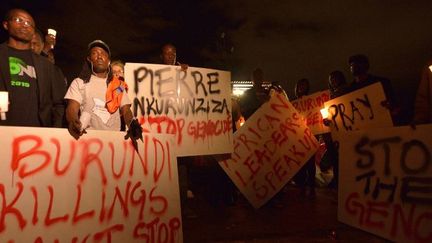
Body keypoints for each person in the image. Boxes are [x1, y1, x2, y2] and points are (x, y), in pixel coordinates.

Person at [0, 8, 66, 127]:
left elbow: (58, 103)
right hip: (4, 131)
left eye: (29, 24)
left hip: (36, 136)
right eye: (19, 20)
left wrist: (54, 131)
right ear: (6, 24)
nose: (25, 25)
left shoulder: (46, 65)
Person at [65, 40, 139, 140]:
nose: (99, 56)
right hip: (87, 139)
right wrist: (73, 121)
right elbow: (72, 107)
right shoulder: (79, 82)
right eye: (95, 53)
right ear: (89, 59)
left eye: (103, 53)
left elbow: (126, 110)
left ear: (108, 61)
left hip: (114, 141)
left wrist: (132, 124)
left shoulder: (118, 85)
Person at [347, 54, 400, 122]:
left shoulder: (382, 82)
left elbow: (395, 103)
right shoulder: (350, 89)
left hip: (382, 122)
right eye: (351, 65)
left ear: (366, 66)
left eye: (358, 64)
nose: (353, 66)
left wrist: (390, 106)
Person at [292, 78, 316, 198]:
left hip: (310, 136)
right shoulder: (293, 103)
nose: (302, 87)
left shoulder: (313, 101)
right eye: (300, 85)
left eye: (304, 85)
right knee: (300, 162)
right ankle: (301, 185)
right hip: (298, 137)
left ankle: (311, 186)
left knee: (311, 163)